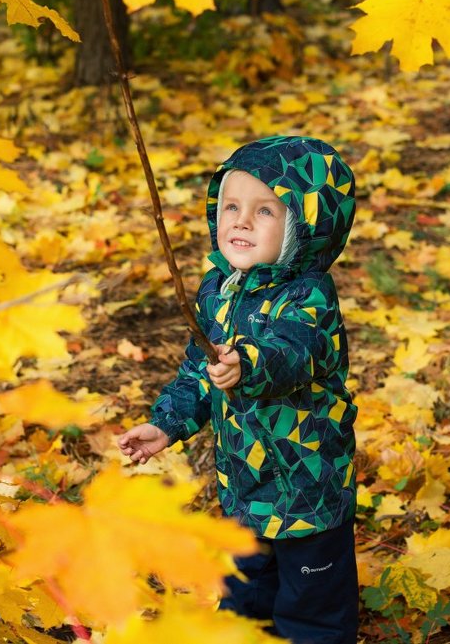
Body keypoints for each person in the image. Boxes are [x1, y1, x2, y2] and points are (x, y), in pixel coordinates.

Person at [119, 135, 358, 644]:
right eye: (231, 206)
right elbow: (195, 374)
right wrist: (166, 424)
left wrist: (247, 364)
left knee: (313, 613)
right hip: (244, 486)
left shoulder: (310, 297)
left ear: (305, 227)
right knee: (243, 602)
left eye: (265, 211)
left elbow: (294, 352)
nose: (241, 221)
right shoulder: (218, 290)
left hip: (308, 489)